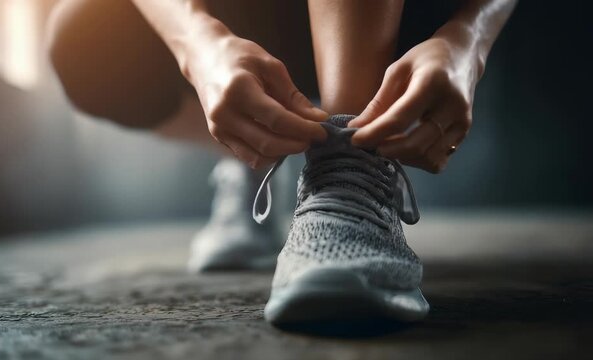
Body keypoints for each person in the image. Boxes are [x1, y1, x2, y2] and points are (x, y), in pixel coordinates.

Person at [47, 0, 516, 326]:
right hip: (250, 20)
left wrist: (468, 39)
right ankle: (252, 150)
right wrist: (200, 46)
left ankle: (349, 171)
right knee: (82, 38)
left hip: (408, 19)